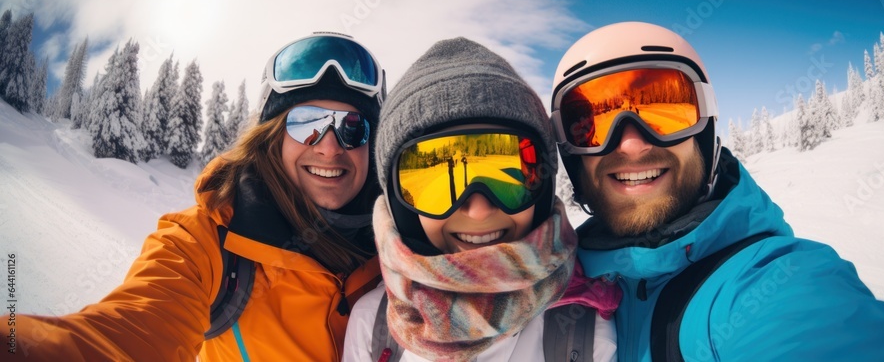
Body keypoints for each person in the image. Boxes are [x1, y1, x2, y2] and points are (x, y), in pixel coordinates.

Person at [549, 21, 884, 361]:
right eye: (594, 123)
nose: (631, 141)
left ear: (705, 130)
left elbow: (819, 332)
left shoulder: (764, 283)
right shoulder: (549, 283)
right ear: (569, 152)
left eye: (664, 110)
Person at [12, 32, 386, 361]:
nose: (330, 148)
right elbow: (128, 332)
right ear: (272, 138)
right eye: (307, 123)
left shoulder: (406, 254)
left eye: (353, 128)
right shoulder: (205, 244)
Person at [342, 37, 619, 361]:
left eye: (508, 173)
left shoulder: (583, 327)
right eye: (436, 180)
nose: (478, 210)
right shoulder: (375, 325)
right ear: (400, 204)